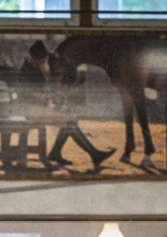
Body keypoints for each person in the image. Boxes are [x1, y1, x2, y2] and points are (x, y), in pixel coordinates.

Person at [18, 40, 116, 171]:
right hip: (30, 110)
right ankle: (93, 154)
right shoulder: (26, 71)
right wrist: (47, 99)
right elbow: (28, 95)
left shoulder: (35, 68)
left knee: (71, 118)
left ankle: (57, 152)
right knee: (69, 121)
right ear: (34, 58)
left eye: (43, 60)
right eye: (41, 60)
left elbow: (41, 94)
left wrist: (51, 99)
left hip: (39, 108)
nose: (42, 63)